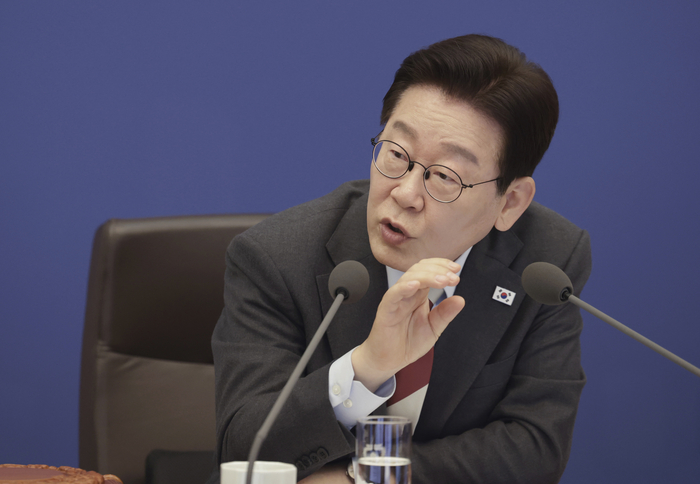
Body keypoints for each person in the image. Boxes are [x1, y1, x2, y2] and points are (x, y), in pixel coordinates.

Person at [210, 34, 591, 483]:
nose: (405, 193)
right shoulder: (277, 257)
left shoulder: (546, 262)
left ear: (509, 203)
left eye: (445, 177)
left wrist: (367, 478)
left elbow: (536, 447)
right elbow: (245, 447)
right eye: (395, 154)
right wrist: (366, 366)